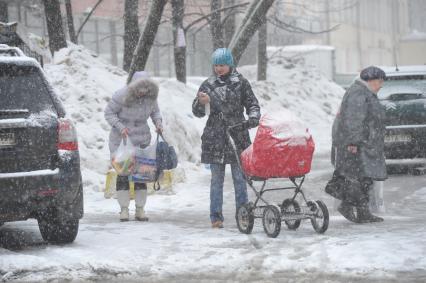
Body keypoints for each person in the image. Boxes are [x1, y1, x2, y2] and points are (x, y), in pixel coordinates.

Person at [192, 48, 261, 228]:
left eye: (222, 65)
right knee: (217, 180)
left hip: (237, 134)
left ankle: (243, 214)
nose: (218, 69)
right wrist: (201, 103)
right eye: (216, 65)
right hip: (215, 137)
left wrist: (253, 118)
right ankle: (216, 217)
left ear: (230, 64)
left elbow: (252, 103)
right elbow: (197, 112)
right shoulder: (207, 84)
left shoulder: (241, 83)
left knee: (240, 179)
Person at [330, 66, 387, 223]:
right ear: (370, 80)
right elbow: (354, 119)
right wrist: (353, 142)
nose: (381, 85)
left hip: (363, 142)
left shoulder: (365, 92)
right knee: (359, 177)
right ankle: (351, 207)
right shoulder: (359, 93)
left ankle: (361, 211)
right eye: (379, 81)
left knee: (364, 177)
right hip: (356, 143)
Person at [105, 71, 163, 221]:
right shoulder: (121, 95)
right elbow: (109, 113)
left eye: (146, 89)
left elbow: (156, 113)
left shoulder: (151, 98)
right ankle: (124, 209)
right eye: (140, 89)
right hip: (122, 141)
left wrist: (158, 123)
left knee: (141, 175)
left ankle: (140, 209)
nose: (142, 92)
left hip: (141, 140)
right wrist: (120, 126)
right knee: (123, 174)